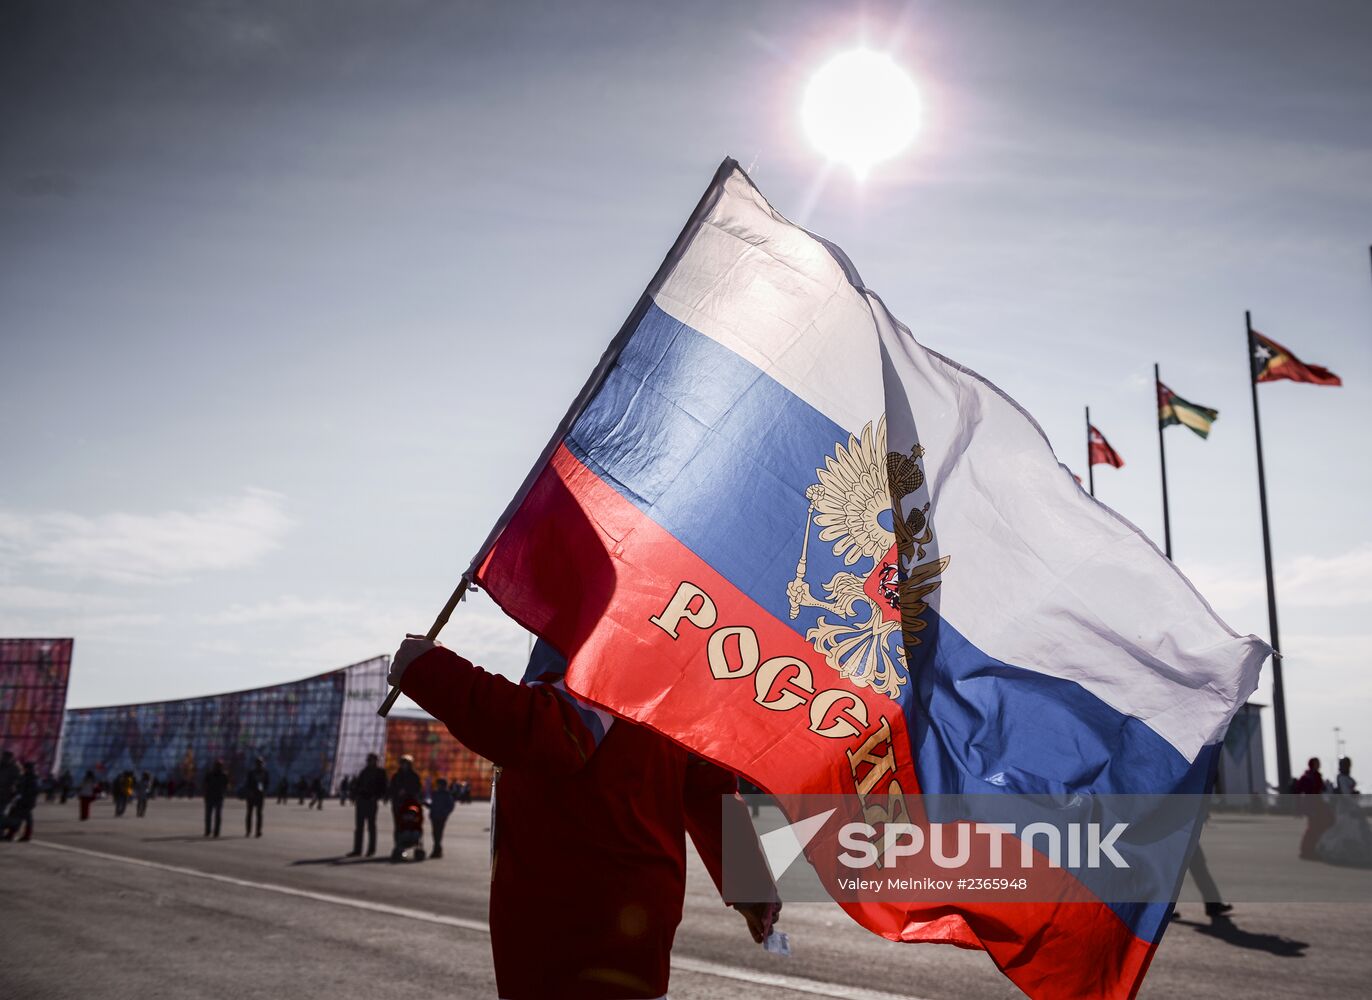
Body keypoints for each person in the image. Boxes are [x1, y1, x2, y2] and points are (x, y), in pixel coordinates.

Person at [389, 636, 779, 999]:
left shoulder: (606, 632)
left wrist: (427, 669)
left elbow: (555, 732)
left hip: (573, 917)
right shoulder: (674, 657)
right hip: (631, 914)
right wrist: (752, 887)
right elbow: (709, 787)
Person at [1318, 757, 1372, 867]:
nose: (1348, 767)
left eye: (1348, 765)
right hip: (1346, 808)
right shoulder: (1342, 778)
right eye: (1346, 765)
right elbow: (1346, 794)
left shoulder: (1344, 777)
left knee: (1347, 830)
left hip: (1348, 807)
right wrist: (1354, 798)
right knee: (1347, 830)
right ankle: (1334, 851)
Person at [347, 752, 388, 857]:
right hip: (361, 801)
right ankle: (357, 849)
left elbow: (384, 787)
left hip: (371, 801)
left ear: (376, 761)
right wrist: (354, 795)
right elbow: (358, 785)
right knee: (359, 827)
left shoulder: (380, 772)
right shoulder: (364, 772)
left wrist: (377, 796)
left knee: (371, 826)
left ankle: (371, 849)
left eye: (371, 760)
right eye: (369, 760)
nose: (370, 762)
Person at [1295, 757, 1334, 859]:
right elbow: (1298, 791)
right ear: (1312, 764)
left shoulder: (1317, 776)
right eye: (1317, 763)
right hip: (1312, 805)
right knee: (1313, 828)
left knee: (1319, 827)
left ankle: (1313, 849)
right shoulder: (1307, 777)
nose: (1319, 765)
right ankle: (1306, 850)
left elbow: (1321, 789)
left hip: (1318, 805)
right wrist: (1299, 807)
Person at [388, 754, 423, 851]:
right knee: (398, 826)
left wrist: (407, 791)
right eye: (402, 763)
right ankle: (398, 846)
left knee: (411, 824)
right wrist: (397, 793)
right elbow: (391, 788)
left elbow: (418, 789)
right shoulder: (396, 776)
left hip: (410, 804)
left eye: (406, 763)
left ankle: (411, 844)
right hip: (398, 804)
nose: (404, 765)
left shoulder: (414, 776)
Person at [1, 761, 39, 842]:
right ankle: (14, 834)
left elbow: (23, 790)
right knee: (23, 818)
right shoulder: (32, 777)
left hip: (24, 802)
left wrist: (17, 796)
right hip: (28, 802)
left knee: (18, 818)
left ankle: (15, 835)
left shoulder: (28, 778)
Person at [427, 778, 455, 860]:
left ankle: (437, 850)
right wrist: (427, 805)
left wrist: (444, 813)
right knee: (435, 833)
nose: (437, 786)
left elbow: (450, 806)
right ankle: (437, 850)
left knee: (438, 833)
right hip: (434, 816)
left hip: (441, 817)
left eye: (439, 784)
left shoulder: (446, 794)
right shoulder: (435, 793)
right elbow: (433, 805)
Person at [243, 758, 269, 837]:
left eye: (260, 763)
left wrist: (264, 790)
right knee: (249, 813)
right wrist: (249, 792)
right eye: (258, 763)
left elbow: (267, 783)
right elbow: (247, 783)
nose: (259, 765)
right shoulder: (251, 773)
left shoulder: (265, 773)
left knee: (259, 814)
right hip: (251, 795)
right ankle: (248, 831)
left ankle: (258, 831)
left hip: (260, 795)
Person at [204, 760, 229, 837]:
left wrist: (223, 793)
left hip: (218, 797)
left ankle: (216, 832)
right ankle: (208, 830)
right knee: (208, 815)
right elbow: (205, 784)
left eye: (219, 766)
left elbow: (226, 785)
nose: (218, 767)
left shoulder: (224, 775)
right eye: (217, 765)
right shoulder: (210, 774)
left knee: (217, 815)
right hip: (210, 796)